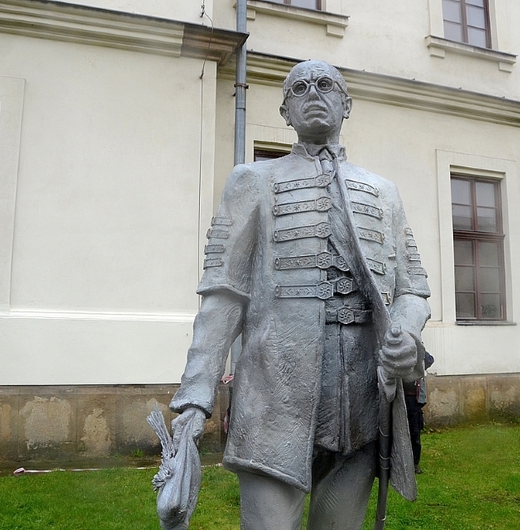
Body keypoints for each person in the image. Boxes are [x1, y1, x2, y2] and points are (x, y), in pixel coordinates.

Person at [167, 60, 431, 530]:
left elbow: (412, 290)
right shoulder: (251, 182)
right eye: (299, 87)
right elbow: (223, 296)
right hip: (273, 400)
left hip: (361, 406)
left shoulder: (384, 193)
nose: (313, 92)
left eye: (326, 84)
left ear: (345, 105)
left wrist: (407, 334)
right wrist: (195, 398)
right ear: (286, 110)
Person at [404, 350, 434, 474]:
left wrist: (418, 349)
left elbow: (429, 360)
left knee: (414, 432)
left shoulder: (418, 351)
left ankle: (414, 464)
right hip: (398, 399)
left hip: (413, 400)